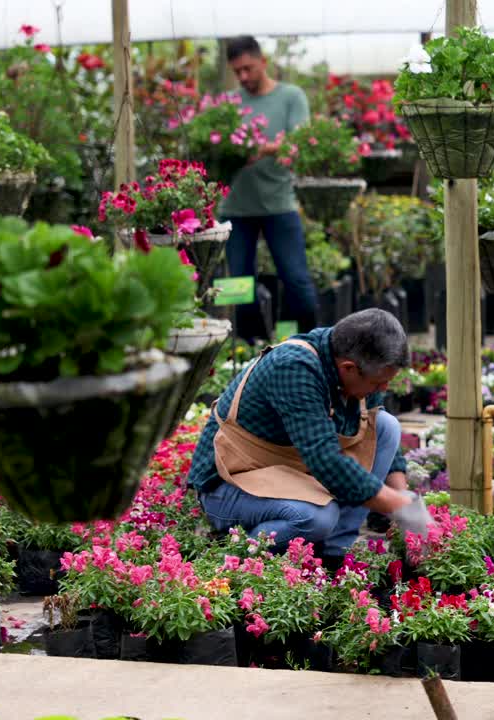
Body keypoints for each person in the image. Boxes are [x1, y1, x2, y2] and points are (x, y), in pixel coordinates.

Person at [187, 309, 431, 572]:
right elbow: (325, 460)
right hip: (230, 482)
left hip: (285, 474)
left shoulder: (353, 361)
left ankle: (334, 553)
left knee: (386, 426)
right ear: (349, 368)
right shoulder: (294, 368)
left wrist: (405, 497)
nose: (383, 389)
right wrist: (398, 506)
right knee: (315, 519)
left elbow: (374, 435)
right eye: (379, 383)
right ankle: (238, 557)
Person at [220, 35, 320, 336]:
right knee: (237, 287)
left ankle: (305, 344)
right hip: (235, 208)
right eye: (237, 71)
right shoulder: (230, 104)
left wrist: (262, 149)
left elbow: (300, 142)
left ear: (263, 61)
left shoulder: (291, 96)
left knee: (297, 282)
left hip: (278, 203)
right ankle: (250, 351)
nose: (243, 77)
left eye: (249, 68)